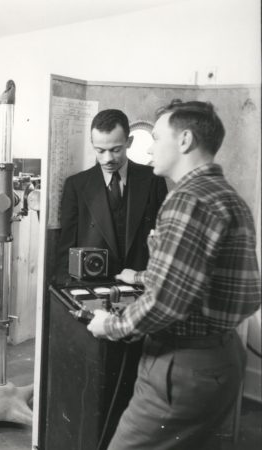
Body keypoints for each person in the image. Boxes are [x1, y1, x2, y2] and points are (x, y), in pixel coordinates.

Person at [87, 100, 261, 449]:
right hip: (222, 359)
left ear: (184, 141)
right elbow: (242, 291)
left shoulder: (188, 200)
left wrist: (110, 324)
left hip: (181, 366)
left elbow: (165, 302)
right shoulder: (228, 198)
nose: (150, 147)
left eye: (156, 136)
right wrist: (139, 278)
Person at [56, 109, 168, 284]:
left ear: (128, 142)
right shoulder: (76, 186)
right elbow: (66, 248)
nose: (107, 158)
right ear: (92, 144)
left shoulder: (153, 180)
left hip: (140, 286)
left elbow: (164, 241)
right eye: (100, 150)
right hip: (92, 286)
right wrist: (68, 286)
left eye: (115, 150)